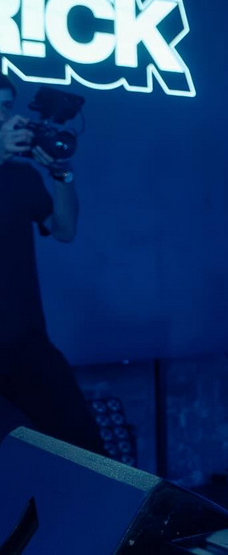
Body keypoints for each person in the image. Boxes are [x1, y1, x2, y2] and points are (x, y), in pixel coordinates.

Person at [0, 74, 101, 453]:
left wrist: (63, 175)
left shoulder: (21, 176)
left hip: (24, 340)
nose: (3, 116)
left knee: (84, 452)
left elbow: (64, 229)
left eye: (6, 106)